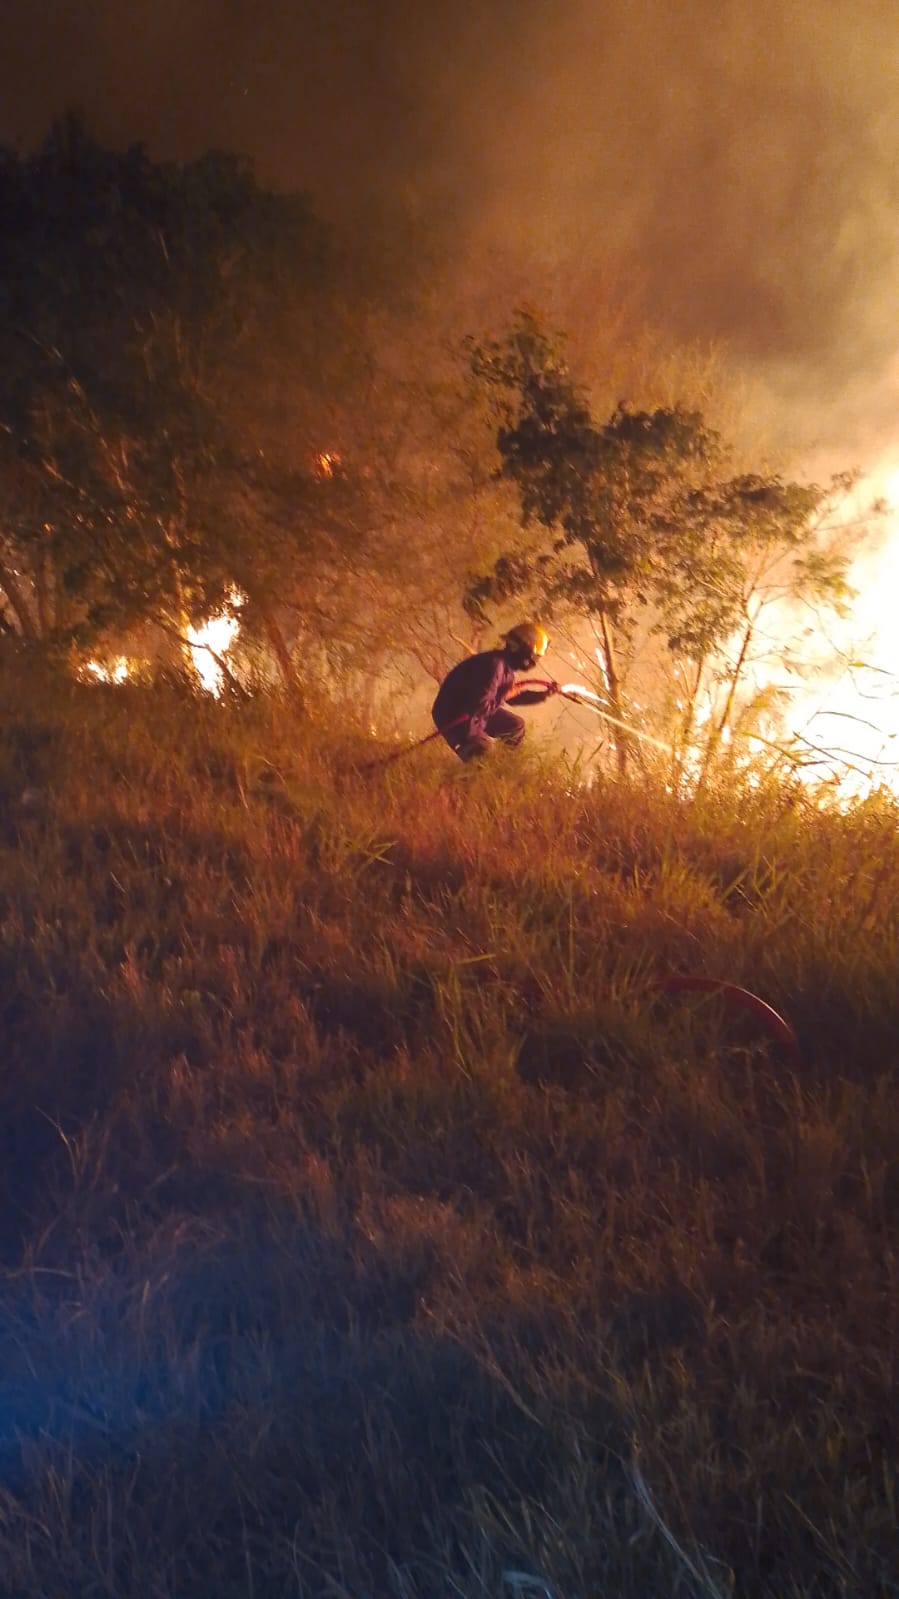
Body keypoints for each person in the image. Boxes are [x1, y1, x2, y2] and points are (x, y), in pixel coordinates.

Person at [431, 622, 560, 760]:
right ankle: (474, 764)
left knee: (515, 726)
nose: (534, 661)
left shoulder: (504, 668)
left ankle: (505, 765)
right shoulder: (494, 666)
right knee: (484, 751)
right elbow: (479, 705)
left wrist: (542, 695)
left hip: (470, 712)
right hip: (455, 716)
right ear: (522, 649)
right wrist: (505, 695)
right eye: (535, 655)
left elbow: (509, 697)